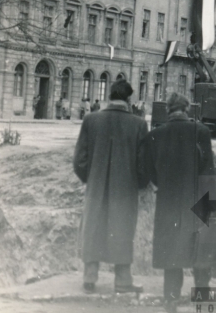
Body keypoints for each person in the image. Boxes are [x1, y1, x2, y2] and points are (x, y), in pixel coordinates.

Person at [140, 92, 216, 312]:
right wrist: (212, 204)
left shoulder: (155, 135)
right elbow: (207, 172)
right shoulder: (201, 132)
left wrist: (164, 184)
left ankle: (171, 299)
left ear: (168, 111)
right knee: (199, 250)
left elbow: (150, 172)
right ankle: (202, 295)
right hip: (197, 202)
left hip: (168, 202)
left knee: (171, 252)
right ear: (187, 110)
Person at [73, 79, 148, 294]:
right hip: (125, 191)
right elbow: (143, 165)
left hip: (95, 188)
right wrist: (138, 184)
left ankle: (89, 277)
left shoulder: (90, 120)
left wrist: (93, 178)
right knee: (123, 230)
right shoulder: (139, 124)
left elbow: (79, 161)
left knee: (93, 227)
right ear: (128, 99)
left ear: (109, 97)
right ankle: (123, 280)